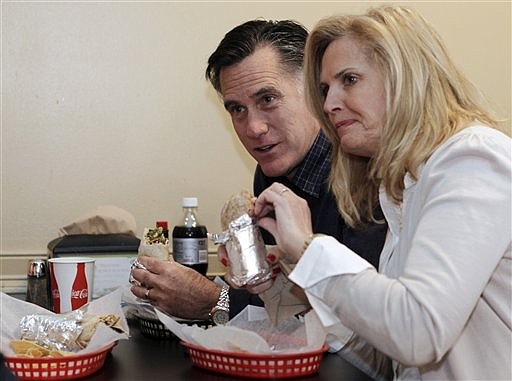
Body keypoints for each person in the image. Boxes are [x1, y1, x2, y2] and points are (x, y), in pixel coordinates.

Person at [246, 6, 511, 380]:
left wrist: (309, 247)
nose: (328, 104)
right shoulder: (403, 187)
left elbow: (419, 332)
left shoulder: (473, 158)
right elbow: (386, 355)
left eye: (349, 79)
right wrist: (281, 284)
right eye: (325, 89)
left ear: (405, 77)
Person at [130, 20, 387, 322]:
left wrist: (215, 300)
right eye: (237, 109)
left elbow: (360, 316)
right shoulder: (270, 170)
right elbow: (277, 300)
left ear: (316, 94)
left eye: (268, 99)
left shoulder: (367, 170)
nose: (254, 128)